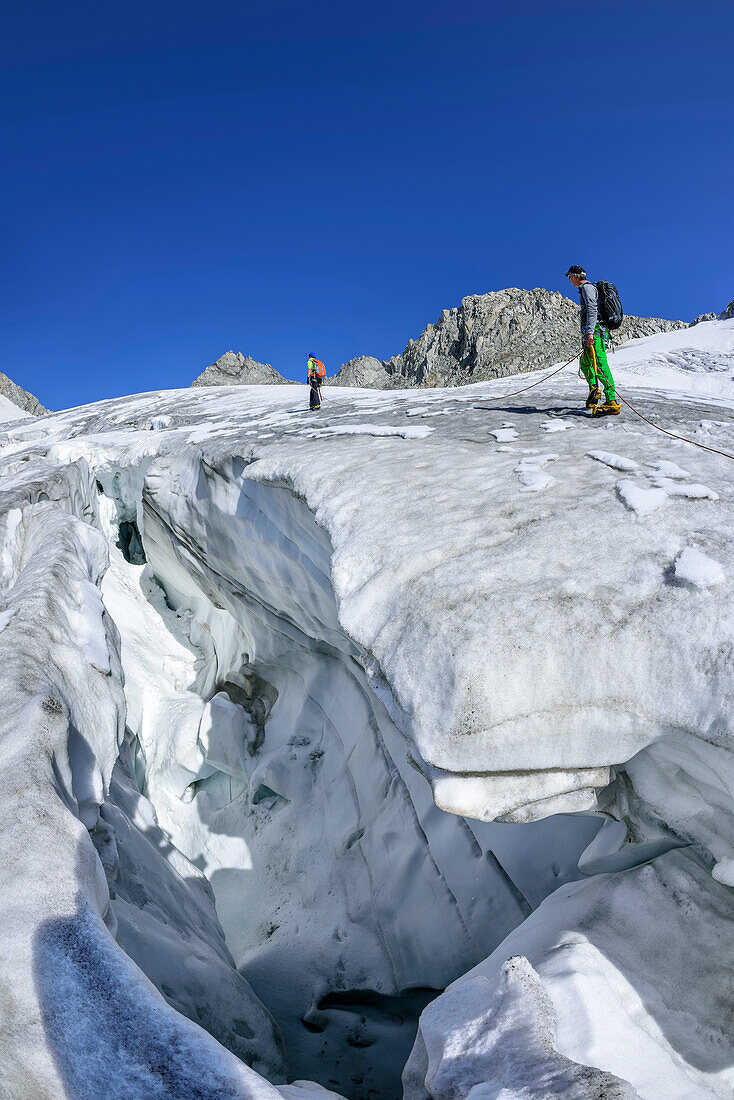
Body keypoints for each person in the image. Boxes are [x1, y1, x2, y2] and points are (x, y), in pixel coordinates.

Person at [564, 266, 621, 416]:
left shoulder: (587, 288)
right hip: (593, 333)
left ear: (575, 275)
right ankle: (594, 390)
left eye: (569, 276)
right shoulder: (586, 288)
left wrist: (589, 333)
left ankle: (612, 401)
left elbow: (592, 310)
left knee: (600, 365)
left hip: (595, 333)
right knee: (585, 363)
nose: (569, 280)